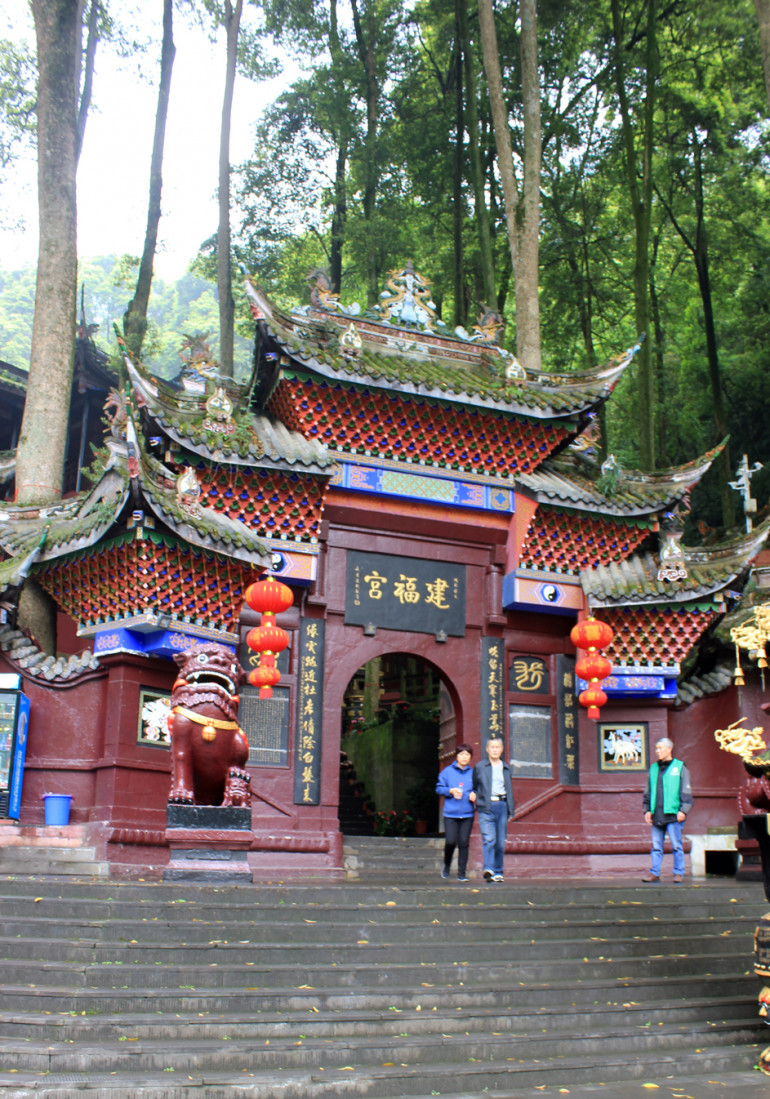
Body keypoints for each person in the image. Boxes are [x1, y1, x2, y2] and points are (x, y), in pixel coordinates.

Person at [642, 737, 693, 883]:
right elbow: (648, 791)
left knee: (677, 845)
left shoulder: (680, 767)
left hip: (673, 813)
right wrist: (646, 810)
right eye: (656, 748)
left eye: (660, 748)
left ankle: (678, 872)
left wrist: (684, 810)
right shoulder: (653, 768)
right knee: (656, 846)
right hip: (657, 813)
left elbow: (686, 791)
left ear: (669, 749)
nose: (658, 751)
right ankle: (654, 872)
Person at [472, 736, 514, 882]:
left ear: (501, 750)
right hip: (486, 806)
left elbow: (509, 789)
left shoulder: (506, 768)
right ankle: (488, 868)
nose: (495, 750)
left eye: (498, 747)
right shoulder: (480, 767)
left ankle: (498, 872)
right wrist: (475, 796)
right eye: (492, 747)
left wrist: (510, 808)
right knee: (489, 839)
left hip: (502, 806)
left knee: (500, 843)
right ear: (487, 749)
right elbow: (474, 786)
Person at [435, 744, 476, 881]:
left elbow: (479, 788)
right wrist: (450, 791)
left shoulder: (474, 773)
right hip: (451, 813)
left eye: (467, 755)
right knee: (451, 841)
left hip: (467, 813)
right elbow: (439, 788)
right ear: (456, 756)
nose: (464, 757)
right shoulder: (447, 772)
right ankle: (447, 864)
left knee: (464, 842)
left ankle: (461, 873)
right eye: (461, 754)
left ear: (470, 757)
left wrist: (474, 794)